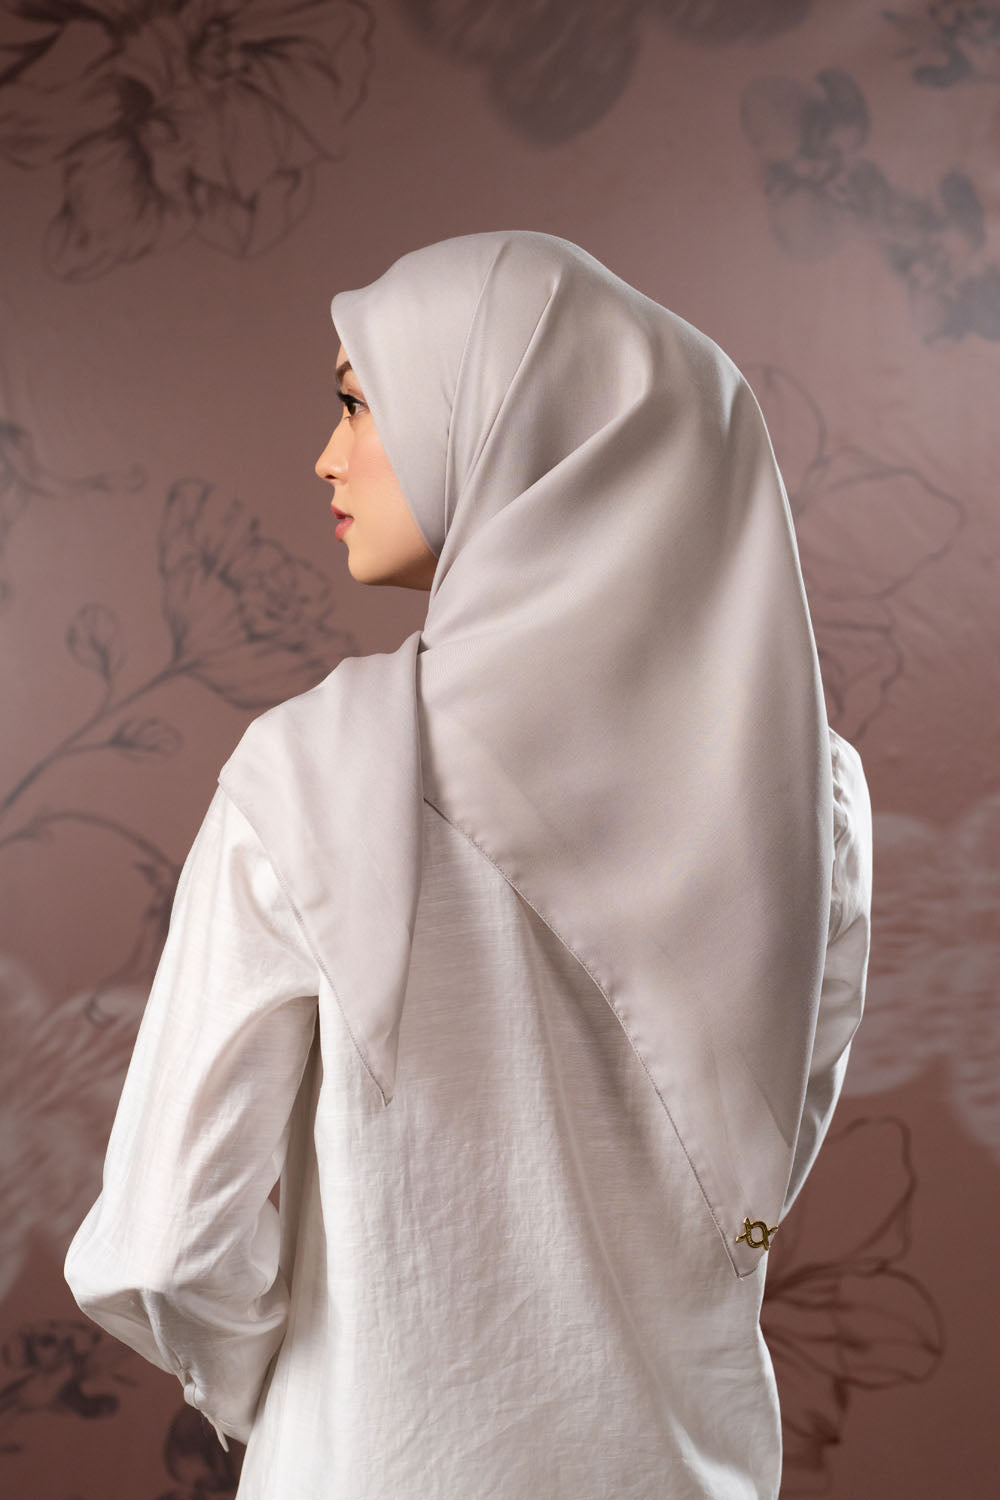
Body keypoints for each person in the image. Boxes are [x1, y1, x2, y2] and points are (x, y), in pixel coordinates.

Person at [64, 229, 873, 1499]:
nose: (326, 454)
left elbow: (166, 1251)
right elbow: (757, 1170)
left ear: (500, 419)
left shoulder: (311, 769)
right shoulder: (813, 791)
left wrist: (320, 1389)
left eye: (357, 401)